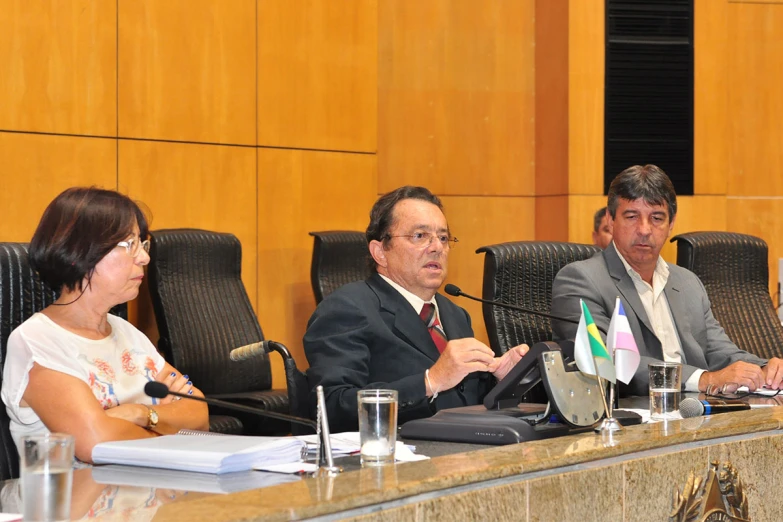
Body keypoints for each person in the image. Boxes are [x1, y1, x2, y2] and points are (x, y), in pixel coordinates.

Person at [1, 187, 209, 464]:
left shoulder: (127, 333)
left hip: (151, 496)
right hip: (76, 504)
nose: (144, 258)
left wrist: (140, 414)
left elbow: (199, 414)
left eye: (142, 244)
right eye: (130, 244)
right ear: (78, 253)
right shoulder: (38, 341)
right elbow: (96, 443)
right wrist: (168, 429)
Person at [304, 186, 529, 432]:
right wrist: (429, 382)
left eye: (443, 238)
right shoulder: (346, 309)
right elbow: (332, 408)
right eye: (420, 236)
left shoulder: (454, 314)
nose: (437, 248)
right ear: (380, 252)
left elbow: (466, 400)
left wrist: (503, 380)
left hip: (462, 453)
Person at [551, 165, 783, 396]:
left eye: (657, 218)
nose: (644, 229)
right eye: (631, 216)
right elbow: (607, 362)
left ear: (671, 224)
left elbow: (719, 350)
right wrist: (702, 379)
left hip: (696, 412)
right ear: (611, 220)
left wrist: (763, 369)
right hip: (633, 419)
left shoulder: (687, 282)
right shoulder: (580, 280)